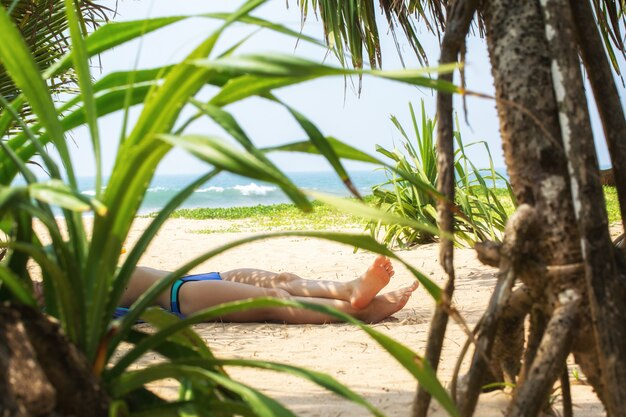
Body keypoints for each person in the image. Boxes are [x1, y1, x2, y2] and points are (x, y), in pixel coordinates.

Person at [118, 255, 419, 324]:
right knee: (275, 300)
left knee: (283, 279)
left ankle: (350, 288)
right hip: (178, 297)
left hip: (194, 278)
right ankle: (363, 310)